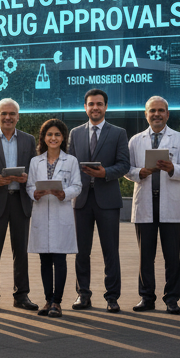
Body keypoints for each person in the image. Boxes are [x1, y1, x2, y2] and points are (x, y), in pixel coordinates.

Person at [128, 96, 180, 314]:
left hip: (170, 206)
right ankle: (146, 297)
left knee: (172, 256)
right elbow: (127, 169)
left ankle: (172, 298)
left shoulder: (179, 138)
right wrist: (140, 172)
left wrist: (172, 168)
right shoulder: (136, 140)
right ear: (146, 114)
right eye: (152, 111)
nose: (157, 114)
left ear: (167, 114)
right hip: (145, 203)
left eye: (161, 110)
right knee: (145, 256)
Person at [69, 87, 130, 312]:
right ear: (85, 107)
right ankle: (83, 294)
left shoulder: (118, 133)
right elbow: (70, 164)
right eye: (91, 104)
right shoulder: (75, 133)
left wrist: (105, 173)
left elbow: (124, 164)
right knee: (81, 251)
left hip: (108, 200)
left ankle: (112, 297)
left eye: (99, 104)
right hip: (82, 200)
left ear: (106, 107)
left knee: (110, 251)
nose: (95, 108)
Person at [0, 97, 38, 312]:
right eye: (4, 113)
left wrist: (27, 177)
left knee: (20, 251)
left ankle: (21, 295)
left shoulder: (29, 140)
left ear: (18, 117)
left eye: (12, 114)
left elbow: (35, 168)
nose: (8, 117)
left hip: (20, 202)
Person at [27, 118, 82, 316]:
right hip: (42, 213)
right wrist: (34, 193)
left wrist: (64, 194)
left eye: (57, 134)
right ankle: (47, 300)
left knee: (60, 260)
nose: (53, 138)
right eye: (49, 134)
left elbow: (77, 186)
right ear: (43, 137)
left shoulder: (71, 161)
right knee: (44, 260)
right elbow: (30, 185)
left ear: (63, 137)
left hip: (61, 214)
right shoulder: (36, 161)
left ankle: (57, 302)